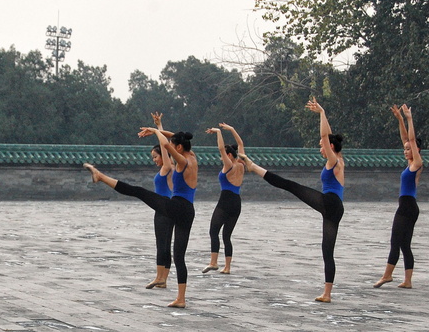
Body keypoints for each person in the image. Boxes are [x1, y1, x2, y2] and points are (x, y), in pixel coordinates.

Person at [239, 97, 344, 302]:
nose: (320, 148)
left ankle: (253, 167)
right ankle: (327, 293)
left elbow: (324, 136)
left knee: (290, 186)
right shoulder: (339, 159)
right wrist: (323, 118)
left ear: (330, 146)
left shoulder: (334, 160)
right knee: (327, 250)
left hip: (330, 203)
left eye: (322, 146)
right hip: (334, 207)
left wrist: (322, 113)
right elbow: (328, 136)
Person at [84, 127, 197, 308]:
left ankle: (101, 177)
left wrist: (154, 130)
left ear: (180, 148)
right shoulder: (192, 156)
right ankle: (181, 299)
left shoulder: (183, 162)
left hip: (176, 206)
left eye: (177, 147)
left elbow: (167, 145)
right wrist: (159, 131)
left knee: (139, 192)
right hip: (188, 211)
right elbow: (172, 139)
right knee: (179, 257)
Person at [374, 104, 423, 289]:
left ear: (416, 149)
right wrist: (400, 119)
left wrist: (409, 119)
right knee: (404, 245)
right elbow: (406, 138)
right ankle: (408, 281)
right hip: (408, 206)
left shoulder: (417, 162)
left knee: (395, 242)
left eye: (409, 149)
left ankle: (387, 275)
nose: (405, 151)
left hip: (407, 207)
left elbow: (410, 139)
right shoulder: (410, 162)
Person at [203, 123, 246, 274]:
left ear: (228, 155)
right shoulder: (242, 163)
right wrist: (233, 129)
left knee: (213, 231)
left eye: (223, 155)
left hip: (225, 201)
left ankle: (213, 262)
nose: (221, 157)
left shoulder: (230, 165)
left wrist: (218, 132)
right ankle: (227, 267)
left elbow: (221, 148)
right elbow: (240, 144)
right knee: (227, 236)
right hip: (237, 202)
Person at [146, 112, 174, 290]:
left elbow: (165, 146)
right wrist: (159, 127)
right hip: (164, 208)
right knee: (164, 242)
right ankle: (162, 279)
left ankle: (159, 277)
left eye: (155, 156)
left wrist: (158, 128)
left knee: (162, 243)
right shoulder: (168, 167)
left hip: (165, 208)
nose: (154, 160)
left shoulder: (167, 167)